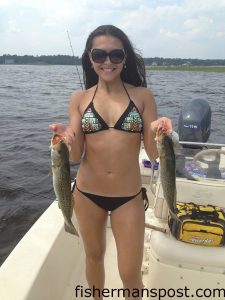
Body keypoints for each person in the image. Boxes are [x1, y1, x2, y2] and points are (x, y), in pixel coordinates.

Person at [49, 25, 172, 300]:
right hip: (86, 194)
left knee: (130, 274)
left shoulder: (142, 96)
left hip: (127, 197)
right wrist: (67, 138)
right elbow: (77, 155)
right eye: (100, 54)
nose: (108, 62)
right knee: (94, 257)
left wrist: (161, 133)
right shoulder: (78, 99)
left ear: (125, 58)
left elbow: (153, 155)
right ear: (90, 58)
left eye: (116, 55)